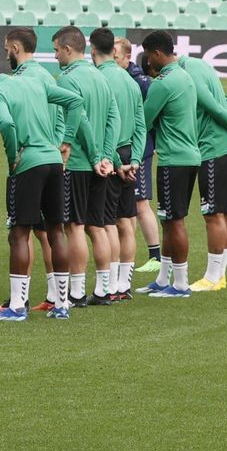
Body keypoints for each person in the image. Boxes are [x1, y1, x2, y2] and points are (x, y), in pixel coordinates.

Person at [0, 37, 86, 322]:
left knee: (19, 233)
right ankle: (62, 304)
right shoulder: (38, 82)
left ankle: (17, 306)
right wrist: (65, 141)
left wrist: (13, 154)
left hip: (28, 164)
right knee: (56, 231)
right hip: (54, 161)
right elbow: (75, 102)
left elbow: (6, 123)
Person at [53, 26, 120, 308]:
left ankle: (77, 292)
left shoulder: (67, 80)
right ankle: (104, 290)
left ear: (68, 49)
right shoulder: (100, 76)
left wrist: (94, 157)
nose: (55, 55)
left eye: (56, 49)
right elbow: (114, 118)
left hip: (79, 162)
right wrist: (107, 156)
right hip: (100, 163)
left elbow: (79, 119)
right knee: (99, 225)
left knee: (75, 226)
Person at [139, 31, 203, 298]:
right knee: (168, 219)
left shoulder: (163, 83)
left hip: (173, 159)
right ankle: (164, 277)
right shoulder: (185, 75)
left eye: (148, 56)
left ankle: (180, 283)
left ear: (156, 53)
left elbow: (144, 118)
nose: (147, 62)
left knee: (174, 221)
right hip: (188, 155)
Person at [173, 48, 227, 292]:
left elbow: (214, 107)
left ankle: (212, 277)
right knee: (224, 212)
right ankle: (219, 275)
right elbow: (226, 101)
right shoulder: (201, 65)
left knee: (213, 213)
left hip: (214, 147)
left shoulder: (187, 72)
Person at [92, 28, 146, 301]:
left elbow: (104, 126)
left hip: (109, 154)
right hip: (128, 153)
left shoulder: (99, 79)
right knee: (127, 220)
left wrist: (112, 159)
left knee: (107, 222)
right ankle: (123, 285)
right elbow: (141, 126)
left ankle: (109, 285)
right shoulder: (130, 81)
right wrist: (135, 159)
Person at [122, 41, 163, 273]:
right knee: (129, 205)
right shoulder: (119, 78)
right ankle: (129, 253)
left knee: (140, 203)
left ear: (127, 56)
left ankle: (155, 255)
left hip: (141, 151)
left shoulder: (141, 82)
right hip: (127, 150)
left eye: (115, 54)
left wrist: (153, 142)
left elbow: (156, 114)